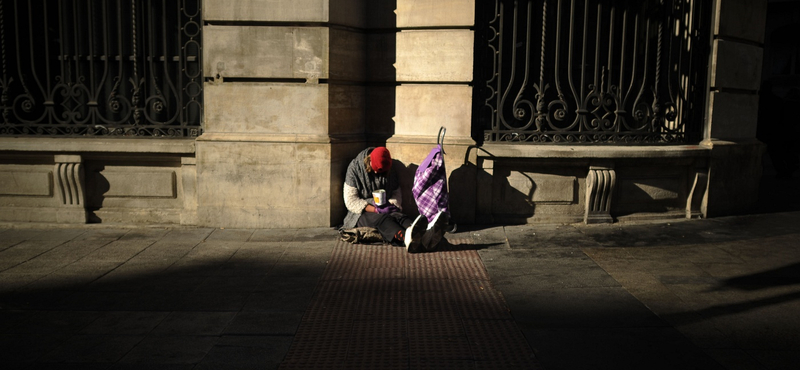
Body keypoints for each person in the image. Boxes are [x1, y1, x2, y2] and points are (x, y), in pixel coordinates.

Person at [342, 146, 447, 252]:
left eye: (381, 172)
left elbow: (396, 192)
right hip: (361, 213)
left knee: (400, 216)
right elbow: (351, 200)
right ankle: (407, 239)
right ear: (368, 160)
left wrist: (392, 205)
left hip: (385, 205)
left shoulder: (389, 167)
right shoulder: (354, 168)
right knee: (383, 219)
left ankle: (424, 234)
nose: (376, 174)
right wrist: (375, 209)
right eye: (375, 170)